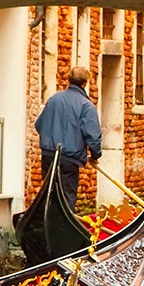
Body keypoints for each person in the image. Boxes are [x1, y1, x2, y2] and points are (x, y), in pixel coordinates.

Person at [34, 65, 103, 206]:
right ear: (85, 83)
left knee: (49, 196)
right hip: (68, 161)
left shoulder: (53, 100)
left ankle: (48, 225)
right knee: (66, 198)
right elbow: (94, 138)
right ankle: (60, 226)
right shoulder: (86, 106)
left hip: (48, 157)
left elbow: (39, 125)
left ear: (68, 80)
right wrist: (95, 156)